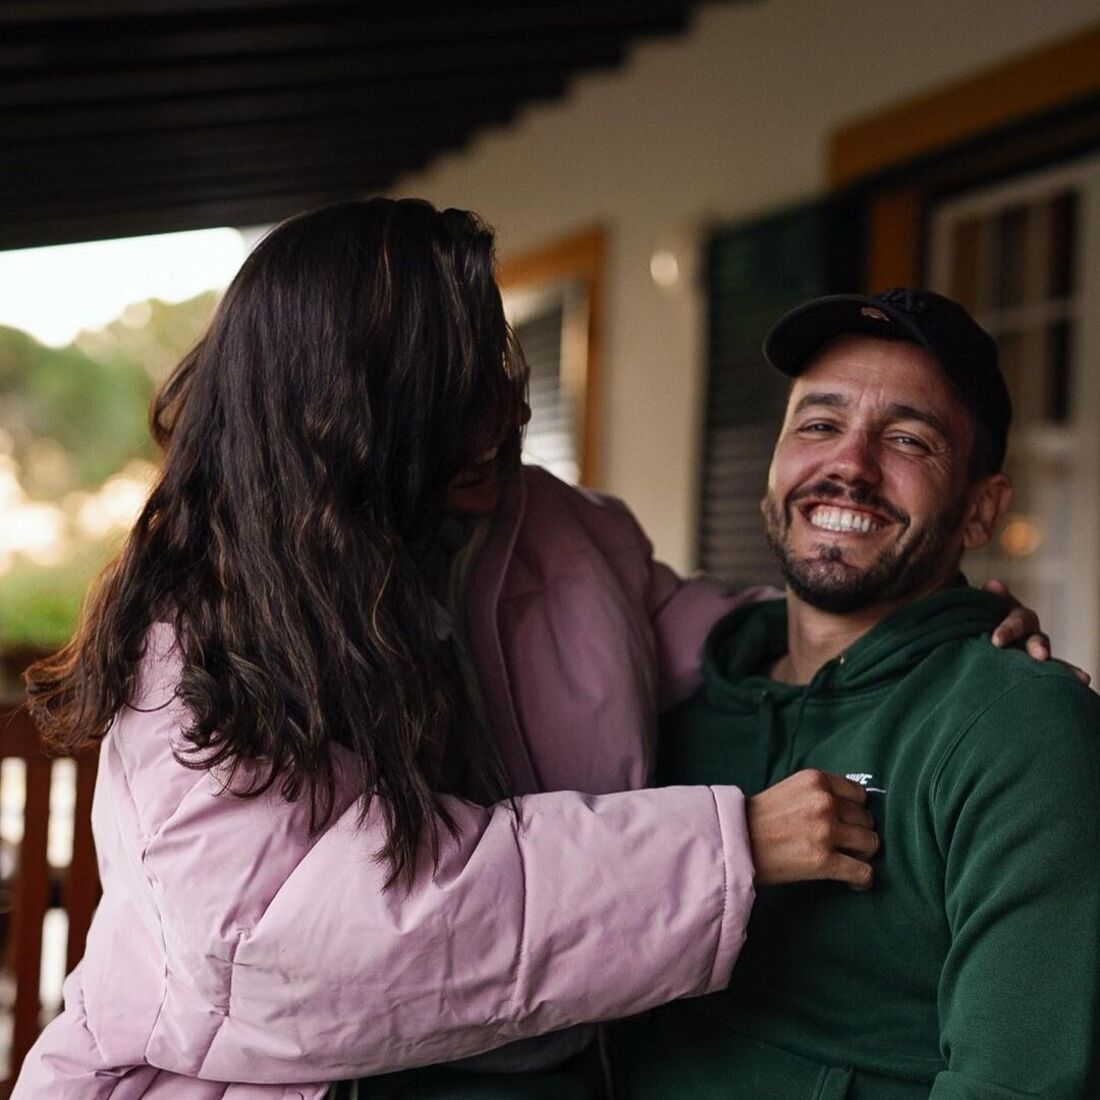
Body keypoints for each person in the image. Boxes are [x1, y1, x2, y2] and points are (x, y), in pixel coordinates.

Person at [12, 204, 1040, 1100]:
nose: (509, 407)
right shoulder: (201, 636)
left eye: (505, 362)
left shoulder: (563, 531)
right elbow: (287, 950)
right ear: (346, 409)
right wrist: (725, 847)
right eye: (464, 382)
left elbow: (737, 633)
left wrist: (940, 627)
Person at [615, 288, 1100, 1100]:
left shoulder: (1021, 730)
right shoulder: (672, 709)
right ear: (775, 465)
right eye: (818, 424)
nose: (849, 464)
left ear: (982, 510)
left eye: (908, 438)